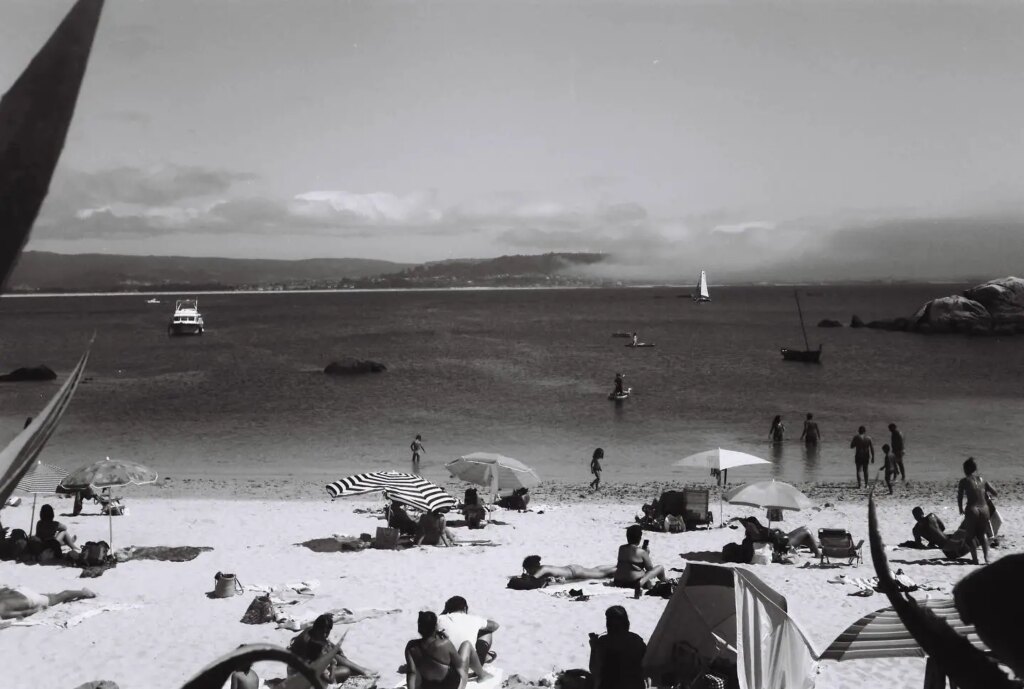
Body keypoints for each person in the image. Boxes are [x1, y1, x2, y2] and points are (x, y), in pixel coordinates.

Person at [287, 613, 376, 685]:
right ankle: (361, 671)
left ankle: (362, 671)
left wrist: (337, 651)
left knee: (336, 655)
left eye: (327, 632)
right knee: (345, 671)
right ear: (317, 628)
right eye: (323, 632)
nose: (325, 635)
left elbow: (328, 645)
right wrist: (332, 666)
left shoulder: (313, 631)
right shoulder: (306, 641)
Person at [436, 596, 498, 682]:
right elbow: (495, 625)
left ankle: (486, 656)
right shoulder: (474, 619)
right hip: (469, 668)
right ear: (465, 608)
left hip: (443, 668)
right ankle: (482, 662)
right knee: (487, 632)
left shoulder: (440, 619)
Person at [589, 605, 647, 689]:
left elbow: (594, 670)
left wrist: (593, 648)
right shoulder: (637, 639)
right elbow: (646, 663)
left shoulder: (604, 642)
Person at [406, 610, 466, 689]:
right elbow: (459, 664)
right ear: (435, 627)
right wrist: (446, 640)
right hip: (449, 684)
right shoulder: (445, 643)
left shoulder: (411, 646)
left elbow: (411, 672)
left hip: (428, 686)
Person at [957, 457, 998, 565]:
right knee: (982, 534)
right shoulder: (982, 480)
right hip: (985, 509)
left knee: (969, 537)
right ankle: (986, 559)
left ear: (966, 469)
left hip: (972, 509)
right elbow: (995, 493)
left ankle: (975, 560)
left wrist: (960, 508)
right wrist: (985, 493)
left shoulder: (964, 481)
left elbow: (960, 496)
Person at [728, 516, 822, 559]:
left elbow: (765, 534)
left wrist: (774, 530)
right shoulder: (759, 533)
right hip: (785, 542)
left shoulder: (756, 533)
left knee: (805, 534)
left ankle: (816, 547)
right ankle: (817, 553)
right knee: (806, 531)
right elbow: (772, 538)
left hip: (783, 539)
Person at [613, 525, 667, 589]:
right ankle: (665, 580)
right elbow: (649, 569)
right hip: (633, 582)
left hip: (618, 581)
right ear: (639, 538)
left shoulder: (621, 548)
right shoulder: (642, 552)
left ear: (627, 537)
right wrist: (647, 554)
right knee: (660, 568)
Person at [0, 586, 95, 620]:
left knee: (60, 596)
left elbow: (24, 613)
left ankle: (84, 592)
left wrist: (38, 610)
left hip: (31, 599)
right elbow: (5, 589)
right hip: (19, 590)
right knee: (44, 596)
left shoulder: (2, 612)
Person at [521, 555, 615, 582]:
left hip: (575, 572)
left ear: (532, 567)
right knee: (596, 569)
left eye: (527, 570)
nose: (528, 572)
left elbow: (533, 580)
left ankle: (620, 567)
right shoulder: (543, 568)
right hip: (572, 569)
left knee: (602, 574)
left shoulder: (542, 570)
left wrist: (523, 577)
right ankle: (617, 565)